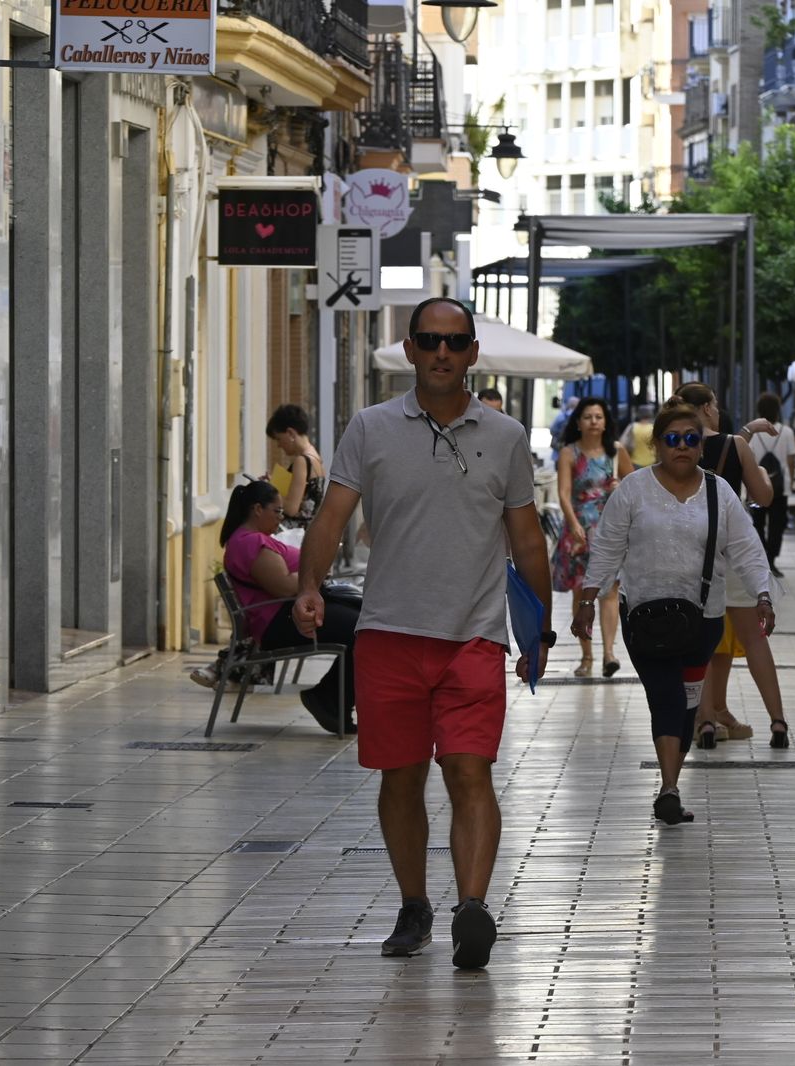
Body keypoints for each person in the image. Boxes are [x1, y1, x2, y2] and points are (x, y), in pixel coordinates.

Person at [293, 296, 552, 971]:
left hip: (474, 637)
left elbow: (527, 539)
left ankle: (472, 907)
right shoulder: (371, 427)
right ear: (410, 349)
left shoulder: (506, 437)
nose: (442, 352)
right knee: (401, 777)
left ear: (472, 353)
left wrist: (542, 628)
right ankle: (414, 905)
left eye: (456, 341)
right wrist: (309, 585)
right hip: (389, 634)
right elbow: (332, 516)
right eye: (430, 340)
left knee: (470, 769)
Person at [574, 403, 773, 824]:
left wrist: (763, 595)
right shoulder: (633, 490)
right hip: (644, 619)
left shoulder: (720, 492)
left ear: (701, 446)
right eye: (673, 439)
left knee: (686, 705)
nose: (682, 446)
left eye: (691, 439)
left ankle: (671, 785)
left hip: (703, 621)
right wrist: (588, 600)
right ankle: (668, 786)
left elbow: (746, 548)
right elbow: (607, 547)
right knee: (666, 695)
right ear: (657, 445)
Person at [670, 382, 790, 748]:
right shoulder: (735, 445)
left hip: (691, 552)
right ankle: (778, 722)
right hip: (732, 549)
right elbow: (764, 497)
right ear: (708, 408)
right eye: (716, 404)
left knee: (700, 643)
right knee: (754, 639)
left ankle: (706, 722)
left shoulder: (675, 445)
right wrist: (763, 475)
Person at [191, 478, 360, 734]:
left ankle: (331, 698)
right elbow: (284, 586)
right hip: (281, 621)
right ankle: (328, 699)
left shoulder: (253, 540)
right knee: (364, 631)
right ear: (258, 509)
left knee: (365, 627)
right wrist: (317, 572)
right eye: (277, 511)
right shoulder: (250, 543)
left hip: (285, 614)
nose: (281, 518)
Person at [553, 396, 634, 678]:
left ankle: (609, 653)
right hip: (578, 532)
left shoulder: (616, 451)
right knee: (581, 592)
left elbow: (634, 486)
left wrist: (620, 486)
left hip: (609, 531)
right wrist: (573, 523)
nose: (594, 422)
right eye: (588, 417)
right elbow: (563, 493)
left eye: (598, 417)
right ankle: (586, 654)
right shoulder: (569, 453)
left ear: (606, 422)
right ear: (578, 422)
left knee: (610, 591)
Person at [748, 391, 795, 579]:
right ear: (778, 410)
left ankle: (763, 560)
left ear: (759, 410)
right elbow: (791, 461)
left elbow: (748, 460)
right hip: (780, 487)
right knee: (778, 525)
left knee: (758, 524)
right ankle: (771, 560)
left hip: (757, 486)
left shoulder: (753, 432)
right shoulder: (787, 432)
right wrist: (791, 482)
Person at [266, 405, 326, 529]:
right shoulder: (316, 458)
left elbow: (291, 508)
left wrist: (268, 492)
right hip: (309, 529)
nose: (279, 445)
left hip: (295, 532)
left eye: (279, 439)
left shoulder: (301, 461)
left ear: (290, 433)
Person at [618, 402, 658, 469]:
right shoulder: (653, 428)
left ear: (639, 414)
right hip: (651, 463)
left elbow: (622, 443)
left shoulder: (632, 427)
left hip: (635, 463)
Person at [549, 395, 579, 463]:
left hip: (559, 451)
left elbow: (552, 430)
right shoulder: (580, 417)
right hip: (575, 454)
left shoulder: (561, 416)